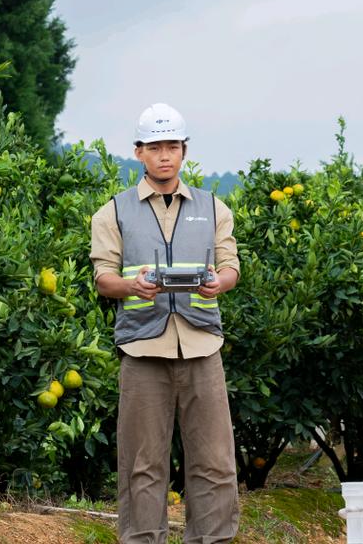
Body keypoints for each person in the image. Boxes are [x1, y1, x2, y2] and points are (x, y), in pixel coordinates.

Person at [90, 102, 241, 544]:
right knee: (142, 464)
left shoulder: (214, 208)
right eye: (155, 147)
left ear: (184, 150)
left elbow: (231, 265)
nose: (164, 155)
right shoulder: (112, 213)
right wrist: (131, 286)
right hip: (142, 351)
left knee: (214, 461)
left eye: (172, 145)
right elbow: (103, 279)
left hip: (202, 348)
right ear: (138, 152)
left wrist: (220, 283)